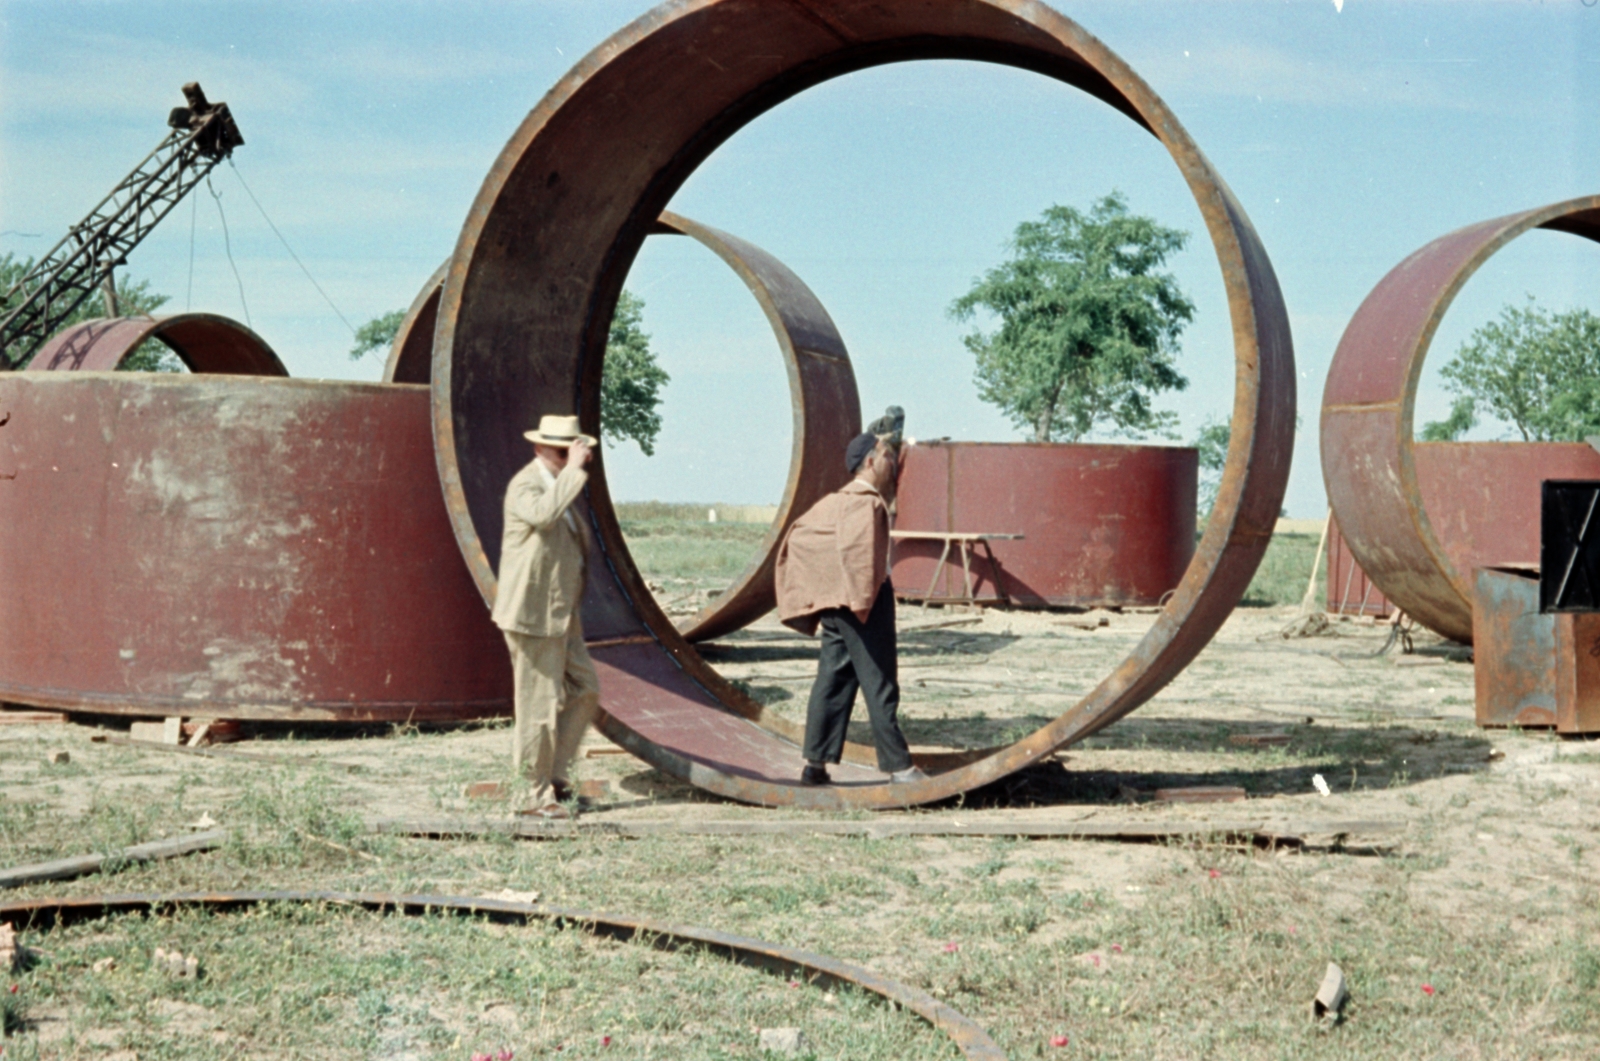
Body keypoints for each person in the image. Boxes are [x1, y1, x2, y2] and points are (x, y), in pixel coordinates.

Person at [775, 429, 928, 786]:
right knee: (880, 682)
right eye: (888, 459)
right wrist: (861, 599)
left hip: (835, 605)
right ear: (871, 462)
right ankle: (899, 768)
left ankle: (815, 765)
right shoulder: (869, 502)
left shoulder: (830, 502)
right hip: (864, 603)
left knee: (832, 680)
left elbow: (798, 539)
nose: (892, 466)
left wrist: (823, 589)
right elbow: (861, 557)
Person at [491, 413, 602, 819]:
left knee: (585, 688)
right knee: (537, 708)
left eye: (575, 451)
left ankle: (554, 779)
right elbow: (542, 515)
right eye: (562, 451)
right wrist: (573, 472)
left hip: (559, 614)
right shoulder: (526, 484)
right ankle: (532, 797)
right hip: (532, 616)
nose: (573, 458)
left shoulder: (558, 485)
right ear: (540, 449)